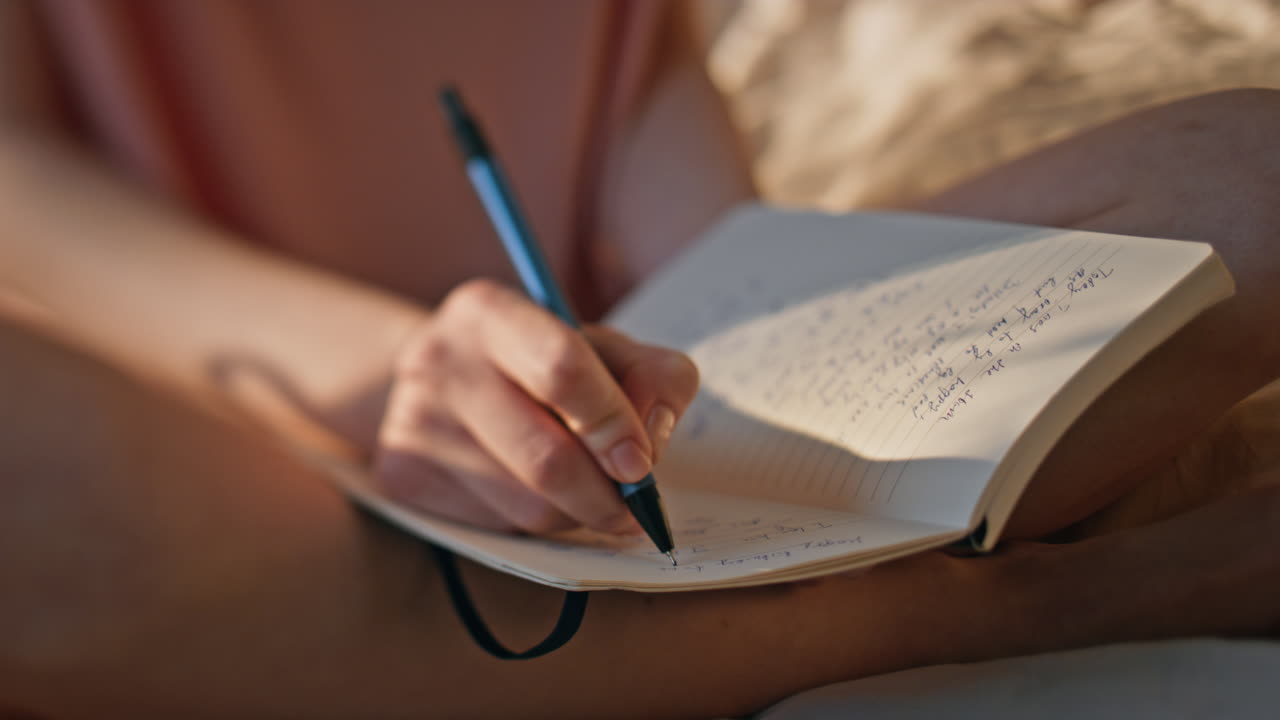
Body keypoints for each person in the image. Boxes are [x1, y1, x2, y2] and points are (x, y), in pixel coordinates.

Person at [1, 1, 1278, 717]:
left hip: (624, 386)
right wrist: (398, 371)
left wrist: (733, 310)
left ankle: (706, 601)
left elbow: (623, 65)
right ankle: (1005, 608)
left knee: (1246, 184)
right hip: (227, 443)